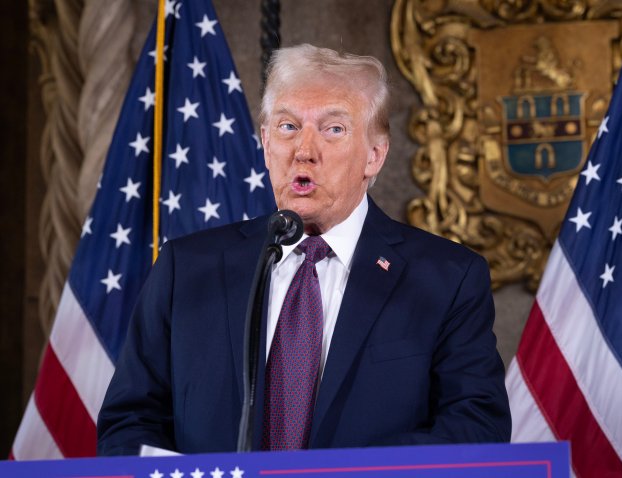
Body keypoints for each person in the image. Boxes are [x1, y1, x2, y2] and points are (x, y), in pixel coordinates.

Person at [97, 44, 510, 455]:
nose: (304, 151)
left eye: (333, 129)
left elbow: (474, 427)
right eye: (288, 127)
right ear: (265, 143)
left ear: (375, 155)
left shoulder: (447, 279)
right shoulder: (186, 269)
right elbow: (130, 422)